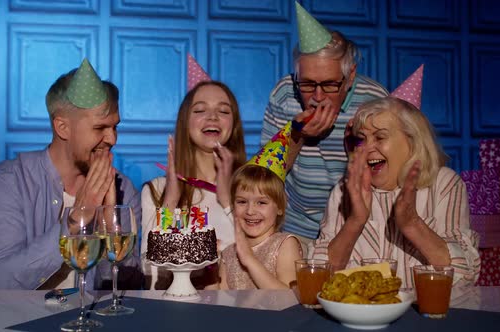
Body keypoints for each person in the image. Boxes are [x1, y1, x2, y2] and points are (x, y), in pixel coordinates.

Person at [0, 59, 142, 296]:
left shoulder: (123, 189)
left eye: (115, 127)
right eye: (100, 128)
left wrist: (110, 226)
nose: (112, 139)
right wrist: (75, 220)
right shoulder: (8, 182)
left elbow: (126, 291)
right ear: (62, 128)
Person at [309, 96, 481, 288]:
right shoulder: (344, 191)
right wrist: (355, 221)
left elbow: (464, 276)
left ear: (413, 141)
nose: (367, 148)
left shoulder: (444, 184)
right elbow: (318, 278)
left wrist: (412, 224)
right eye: (361, 139)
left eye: (380, 137)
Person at [261, 3, 388, 245]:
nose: (318, 96)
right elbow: (266, 176)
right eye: (307, 84)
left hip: (357, 228)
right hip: (296, 228)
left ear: (350, 77)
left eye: (330, 84)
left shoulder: (374, 99)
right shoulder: (285, 93)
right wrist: (297, 135)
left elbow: (387, 175)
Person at [141, 80, 247, 289]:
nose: (212, 117)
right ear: (185, 122)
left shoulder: (250, 187)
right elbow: (149, 269)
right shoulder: (157, 190)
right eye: (200, 110)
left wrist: (227, 199)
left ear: (233, 125)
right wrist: (171, 199)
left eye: (223, 111)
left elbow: (260, 254)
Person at [212, 122, 302, 289]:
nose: (250, 211)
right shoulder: (229, 253)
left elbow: (290, 299)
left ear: (280, 206)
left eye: (261, 202)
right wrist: (209, 269)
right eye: (242, 202)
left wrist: (249, 259)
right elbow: (220, 302)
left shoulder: (285, 245)